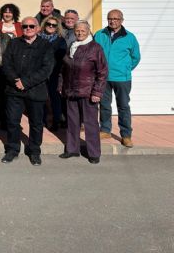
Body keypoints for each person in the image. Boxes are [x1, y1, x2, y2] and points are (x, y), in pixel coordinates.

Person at [0, 17, 54, 166]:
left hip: (36, 90)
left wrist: (26, 82)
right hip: (14, 90)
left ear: (37, 28)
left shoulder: (45, 45)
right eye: (25, 26)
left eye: (31, 26)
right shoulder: (14, 43)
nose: (28, 29)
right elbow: (6, 64)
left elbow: (46, 69)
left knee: (36, 123)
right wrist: (16, 81)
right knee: (12, 121)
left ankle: (34, 151)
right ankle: (12, 149)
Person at [59, 20, 108, 163]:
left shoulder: (95, 48)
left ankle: (94, 153)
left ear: (88, 31)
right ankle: (72, 149)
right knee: (72, 122)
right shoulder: (72, 46)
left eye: (83, 31)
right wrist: (61, 86)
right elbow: (64, 70)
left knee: (90, 123)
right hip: (71, 91)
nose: (80, 33)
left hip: (88, 93)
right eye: (77, 31)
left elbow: (102, 72)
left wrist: (97, 92)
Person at [94, 9, 141, 148]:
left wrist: (125, 68)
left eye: (116, 18)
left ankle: (126, 135)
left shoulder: (129, 37)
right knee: (104, 105)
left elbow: (136, 57)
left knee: (123, 106)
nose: (113, 21)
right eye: (110, 18)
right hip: (103, 78)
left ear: (121, 20)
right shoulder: (100, 34)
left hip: (122, 78)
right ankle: (105, 130)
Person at [39, 16, 68, 131]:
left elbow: (60, 56)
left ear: (57, 27)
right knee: (41, 98)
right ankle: (42, 120)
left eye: (54, 25)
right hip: (40, 73)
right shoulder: (38, 38)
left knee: (55, 98)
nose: (51, 26)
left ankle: (56, 121)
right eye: (48, 24)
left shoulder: (60, 40)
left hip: (54, 73)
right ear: (44, 25)